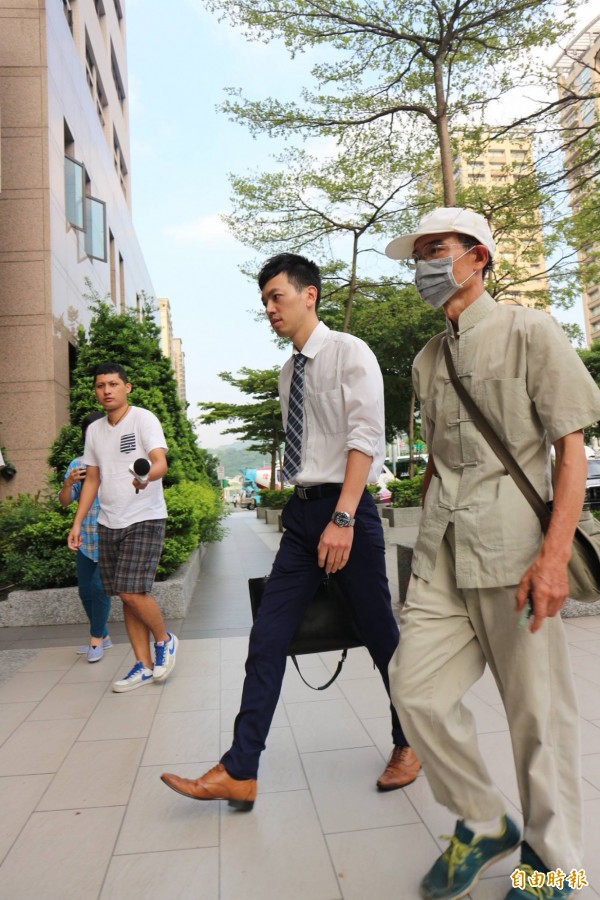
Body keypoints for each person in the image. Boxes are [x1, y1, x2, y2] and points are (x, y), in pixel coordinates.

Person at [384, 207, 600, 900]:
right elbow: (439, 460)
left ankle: (556, 862)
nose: (424, 264)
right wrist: (417, 551)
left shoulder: (529, 330)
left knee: (537, 714)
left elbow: (571, 446)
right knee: (413, 688)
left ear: (478, 257)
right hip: (442, 551)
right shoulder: (425, 358)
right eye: (418, 253)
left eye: (437, 249)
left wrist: (553, 557)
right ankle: (482, 819)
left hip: (515, 547)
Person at [160, 252, 419, 809]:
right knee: (268, 637)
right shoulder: (287, 373)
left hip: (348, 511)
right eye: (264, 302)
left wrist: (345, 517)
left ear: (310, 295)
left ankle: (409, 740)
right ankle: (241, 768)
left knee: (381, 637)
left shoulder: (351, 354)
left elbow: (365, 439)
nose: (270, 309)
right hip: (302, 519)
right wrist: (318, 519)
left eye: (277, 297)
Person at [67, 362, 178, 692]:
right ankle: (143, 665)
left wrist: (145, 477)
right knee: (126, 596)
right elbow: (93, 480)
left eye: (113, 384)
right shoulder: (95, 431)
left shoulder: (143, 418)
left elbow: (160, 461)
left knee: (131, 590)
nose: (107, 390)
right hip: (108, 521)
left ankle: (165, 640)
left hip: (144, 515)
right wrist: (76, 523)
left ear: (127, 387)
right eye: (101, 385)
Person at [60, 410, 113, 663]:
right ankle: (103, 635)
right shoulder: (77, 464)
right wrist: (68, 484)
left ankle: (95, 641)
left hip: (111, 533)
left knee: (99, 588)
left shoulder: (117, 461)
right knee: (84, 591)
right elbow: (64, 502)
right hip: (85, 537)